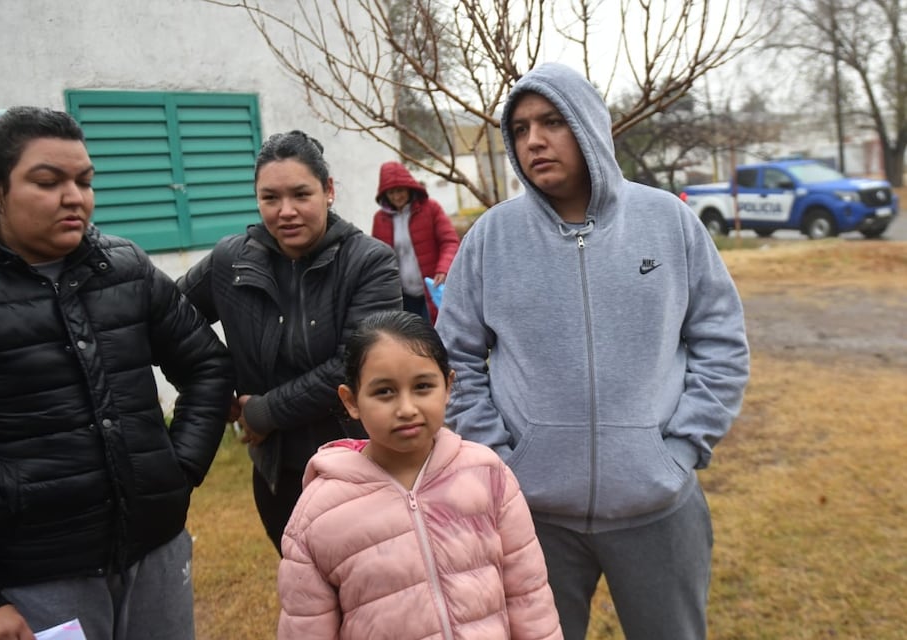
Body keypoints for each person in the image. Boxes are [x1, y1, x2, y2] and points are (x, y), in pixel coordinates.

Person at [434, 62, 750, 640]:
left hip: (659, 509)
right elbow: (453, 359)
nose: (534, 140)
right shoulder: (491, 239)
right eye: (521, 128)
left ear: (589, 125)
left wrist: (681, 447)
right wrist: (502, 462)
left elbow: (721, 340)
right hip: (532, 519)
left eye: (552, 121)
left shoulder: (669, 222)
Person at [0, 106, 235, 640]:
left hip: (155, 549)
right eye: (48, 182)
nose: (75, 197)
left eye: (85, 181)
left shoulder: (125, 267)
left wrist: (178, 469)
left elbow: (207, 363)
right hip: (36, 573)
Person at [177, 131, 402, 554]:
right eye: (270, 198)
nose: (286, 211)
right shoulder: (230, 261)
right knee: (301, 582)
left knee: (375, 583)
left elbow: (355, 365)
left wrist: (264, 411)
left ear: (328, 190)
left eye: (301, 194)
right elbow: (168, 321)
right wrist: (214, 383)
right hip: (277, 474)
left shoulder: (369, 262)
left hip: (359, 464)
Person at [276, 310, 563, 640]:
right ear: (351, 401)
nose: (407, 409)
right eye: (384, 392)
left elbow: (529, 597)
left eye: (423, 386)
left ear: (448, 387)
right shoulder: (318, 514)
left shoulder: (488, 476)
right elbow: (305, 627)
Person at [372, 161, 459, 323]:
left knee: (435, 332)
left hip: (431, 290)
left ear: (409, 187)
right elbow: (376, 257)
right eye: (391, 193)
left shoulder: (431, 209)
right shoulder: (379, 219)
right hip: (402, 295)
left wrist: (443, 269)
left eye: (400, 190)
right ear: (384, 194)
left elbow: (450, 241)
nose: (396, 197)